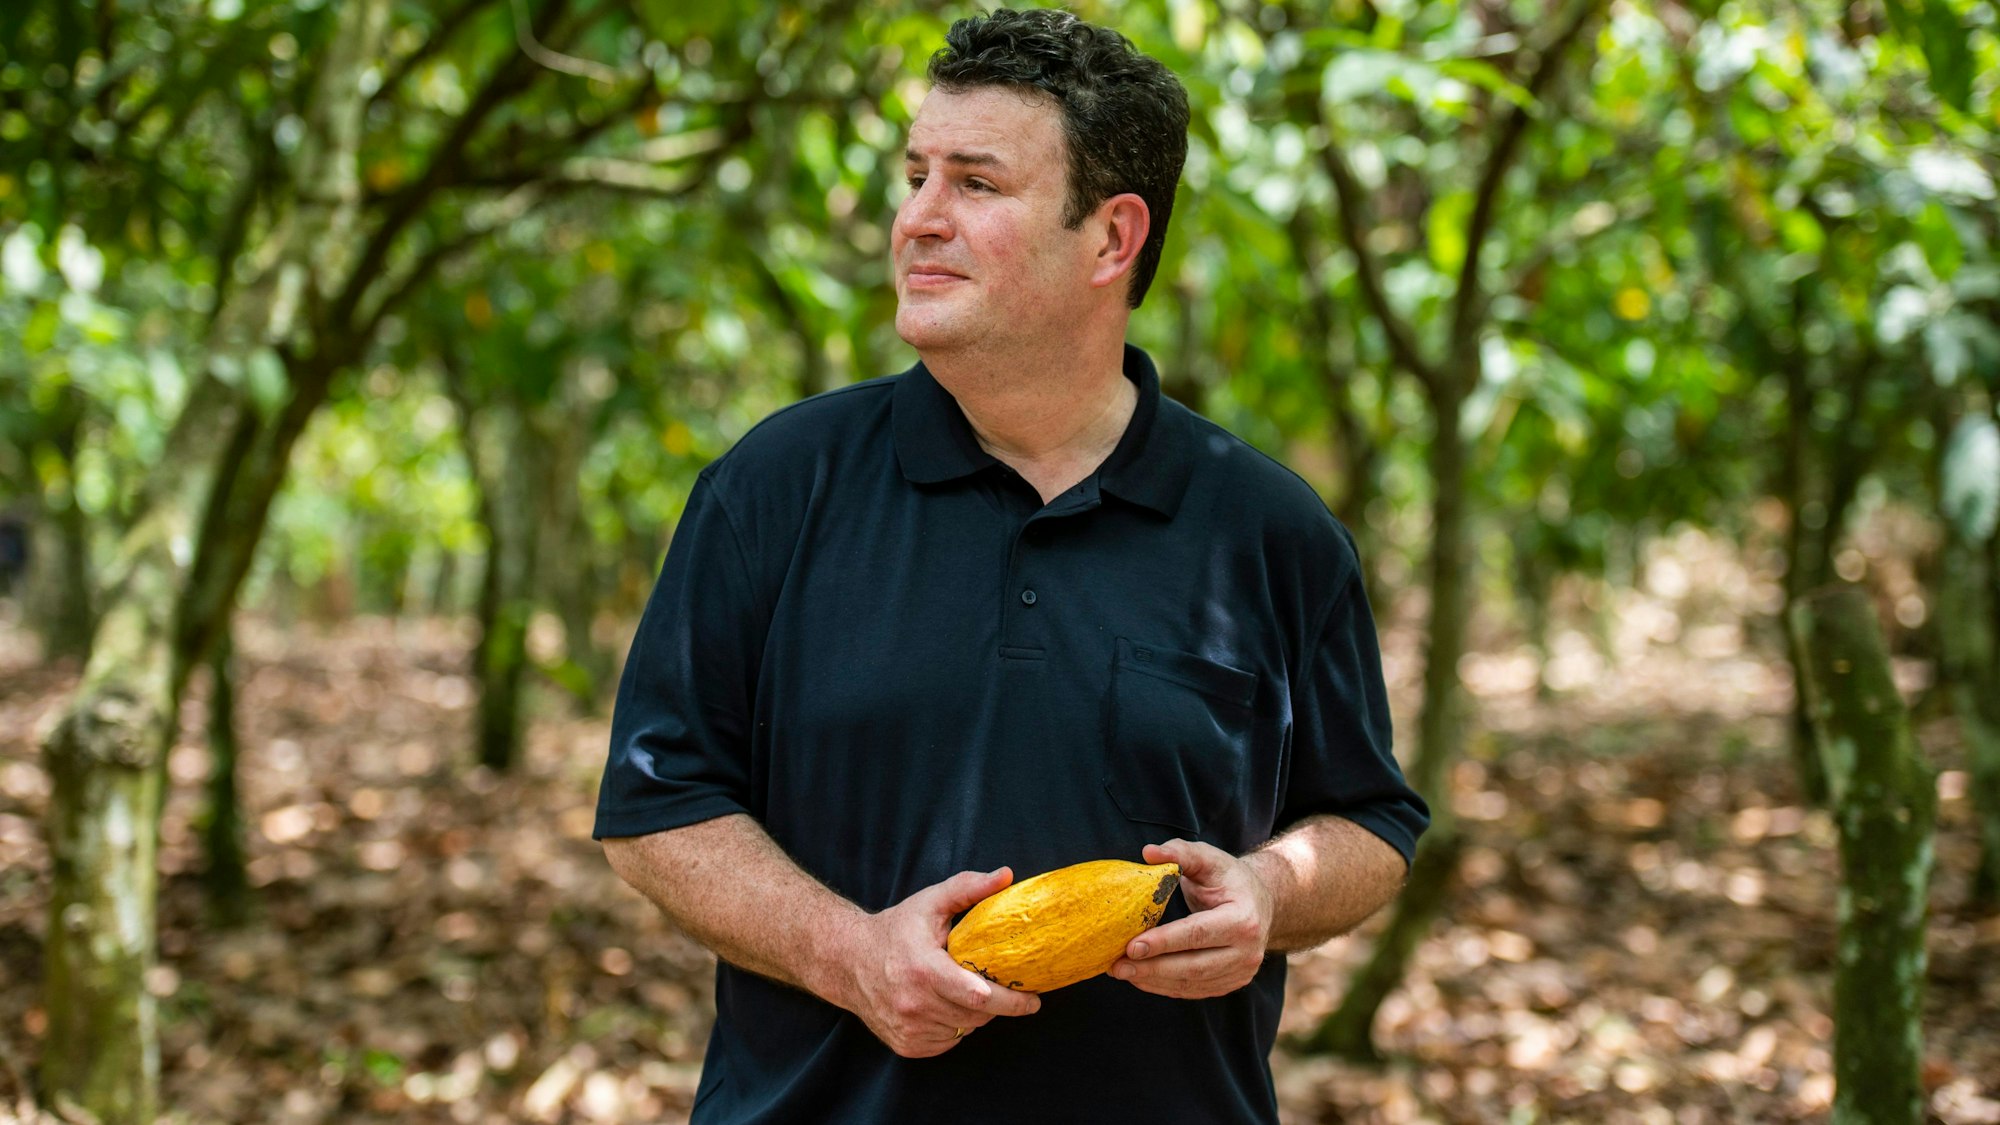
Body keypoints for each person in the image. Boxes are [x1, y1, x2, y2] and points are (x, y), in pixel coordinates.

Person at [594, 9, 1428, 1121]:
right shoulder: (774, 487)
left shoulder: (1267, 532)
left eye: (975, 186)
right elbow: (656, 810)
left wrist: (1268, 896)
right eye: (914, 176)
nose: (916, 221)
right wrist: (850, 956)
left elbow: (1366, 825)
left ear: (1110, 239)